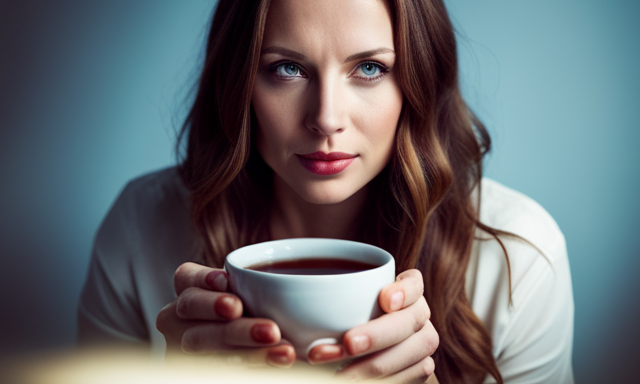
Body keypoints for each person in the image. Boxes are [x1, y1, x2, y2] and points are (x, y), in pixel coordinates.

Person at [77, 0, 575, 383]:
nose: (326, 119)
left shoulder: (519, 259)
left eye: (370, 68)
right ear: (240, 82)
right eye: (287, 69)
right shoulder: (141, 228)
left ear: (418, 83)